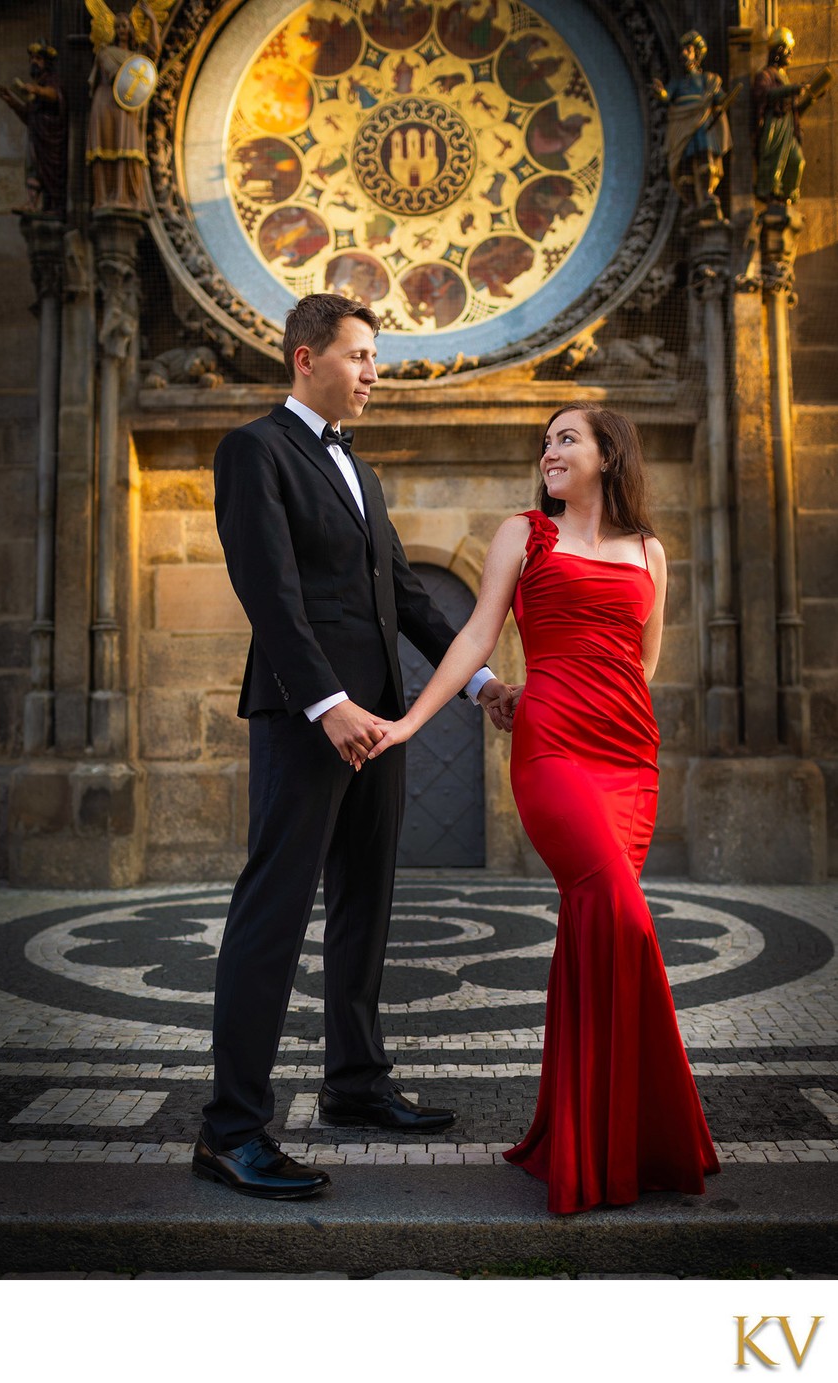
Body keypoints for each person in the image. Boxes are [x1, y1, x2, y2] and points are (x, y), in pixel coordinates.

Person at [193, 293, 511, 1199]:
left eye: (376, 358)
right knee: (274, 911)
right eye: (361, 355)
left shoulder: (357, 470)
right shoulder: (254, 451)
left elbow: (404, 599)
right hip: (310, 719)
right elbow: (268, 592)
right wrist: (325, 702)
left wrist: (482, 685)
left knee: (366, 903)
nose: (375, 373)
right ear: (305, 359)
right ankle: (229, 1130)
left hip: (384, 718)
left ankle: (356, 1086)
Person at [368, 401, 720, 1214]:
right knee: (621, 919)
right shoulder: (523, 533)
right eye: (545, 442)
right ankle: (632, 1137)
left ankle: (606, 1141)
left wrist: (601, 698)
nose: (550, 451)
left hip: (629, 758)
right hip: (553, 748)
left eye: (566, 438)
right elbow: (473, 637)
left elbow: (641, 659)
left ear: (608, 454)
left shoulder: (649, 551)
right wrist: (415, 721)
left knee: (597, 932)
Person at [85, 1, 161, 211]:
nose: (122, 30)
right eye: (118, 26)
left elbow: (154, 51)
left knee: (128, 147)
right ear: (113, 30)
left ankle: (128, 196)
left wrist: (153, 22)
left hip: (127, 107)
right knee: (106, 148)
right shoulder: (105, 52)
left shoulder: (136, 56)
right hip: (107, 102)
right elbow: (114, 74)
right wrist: (141, 75)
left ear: (132, 28)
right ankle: (104, 198)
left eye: (126, 26)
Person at [652, 30, 732, 213]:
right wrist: (661, 93)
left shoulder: (707, 80)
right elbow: (667, 96)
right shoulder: (678, 83)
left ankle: (706, 193)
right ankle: (690, 202)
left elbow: (719, 97)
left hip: (701, 121)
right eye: (682, 51)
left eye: (688, 49)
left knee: (705, 155)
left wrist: (723, 100)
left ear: (697, 53)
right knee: (684, 162)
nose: (684, 54)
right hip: (682, 123)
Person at [0, 40, 67, 216]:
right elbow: (28, 116)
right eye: (32, 59)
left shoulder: (51, 80)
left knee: (51, 171)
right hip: (36, 135)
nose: (33, 62)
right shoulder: (38, 84)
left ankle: (56, 206)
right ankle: (31, 202)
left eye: (38, 58)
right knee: (32, 167)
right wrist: (11, 101)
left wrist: (37, 90)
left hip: (51, 139)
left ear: (46, 62)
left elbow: (54, 95)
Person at [752, 27, 808, 205]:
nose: (791, 53)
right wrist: (792, 89)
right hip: (774, 126)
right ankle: (771, 194)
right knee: (773, 163)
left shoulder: (784, 77)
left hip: (788, 127)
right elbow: (763, 94)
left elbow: (795, 110)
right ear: (777, 52)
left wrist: (811, 99)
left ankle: (787, 197)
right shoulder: (766, 75)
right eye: (787, 49)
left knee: (797, 161)